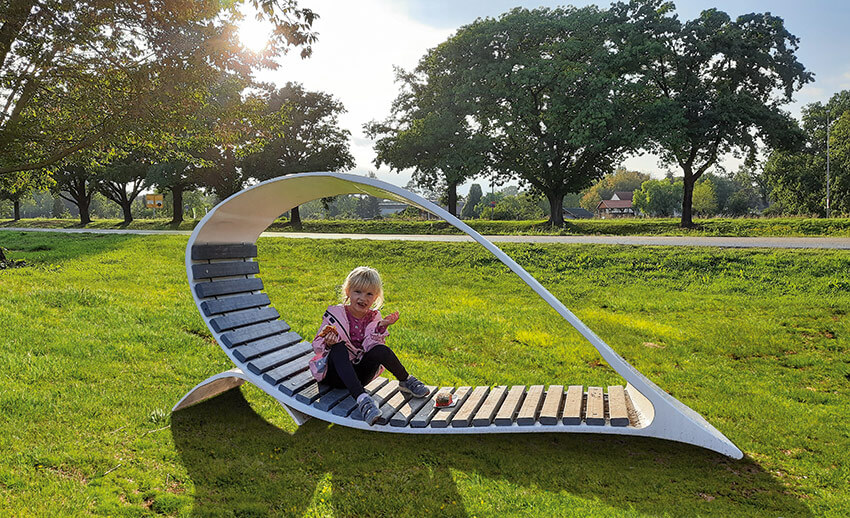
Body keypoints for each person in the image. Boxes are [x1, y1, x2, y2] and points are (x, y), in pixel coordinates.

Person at [310, 266, 429, 425]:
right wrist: (328, 343)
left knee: (380, 349)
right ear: (348, 291)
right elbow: (317, 344)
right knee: (338, 348)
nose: (363, 298)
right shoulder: (335, 315)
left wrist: (380, 328)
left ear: (376, 297)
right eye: (358, 292)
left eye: (369, 294)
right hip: (335, 375)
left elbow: (370, 346)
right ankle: (363, 400)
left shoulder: (374, 317)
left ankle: (406, 380)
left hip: (360, 375)